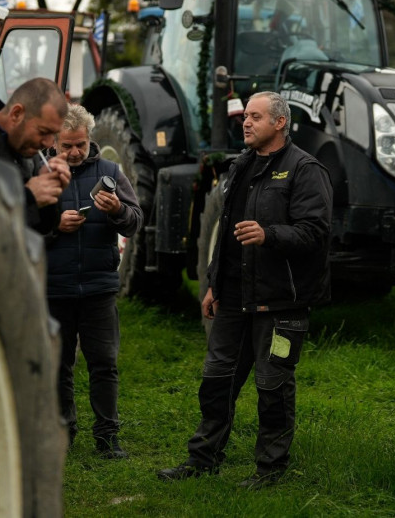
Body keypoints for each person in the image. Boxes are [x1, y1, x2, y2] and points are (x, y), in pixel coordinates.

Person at [157, 91, 332, 489]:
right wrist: (213, 286)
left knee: (273, 388)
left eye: (255, 116)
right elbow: (225, 237)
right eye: (245, 117)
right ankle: (202, 459)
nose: (246, 122)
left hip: (281, 301)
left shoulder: (306, 169)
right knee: (217, 380)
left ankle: (269, 471)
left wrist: (269, 234)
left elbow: (317, 232)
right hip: (234, 297)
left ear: (280, 122)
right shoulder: (239, 167)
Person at [45, 104, 143, 457]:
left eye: (80, 145)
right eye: (67, 145)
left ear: (90, 141)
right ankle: (63, 433)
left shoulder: (111, 172)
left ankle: (107, 437)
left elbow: (135, 221)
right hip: (54, 288)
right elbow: (19, 226)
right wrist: (55, 226)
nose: (74, 152)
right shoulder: (40, 173)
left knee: (104, 363)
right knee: (58, 367)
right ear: (54, 141)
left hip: (99, 286)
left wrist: (117, 209)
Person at [0, 77, 71, 234]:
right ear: (16, 114)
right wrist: (28, 198)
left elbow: (41, 230)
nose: (48, 143)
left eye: (53, 135)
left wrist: (50, 191)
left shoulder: (27, 151)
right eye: (43, 132)